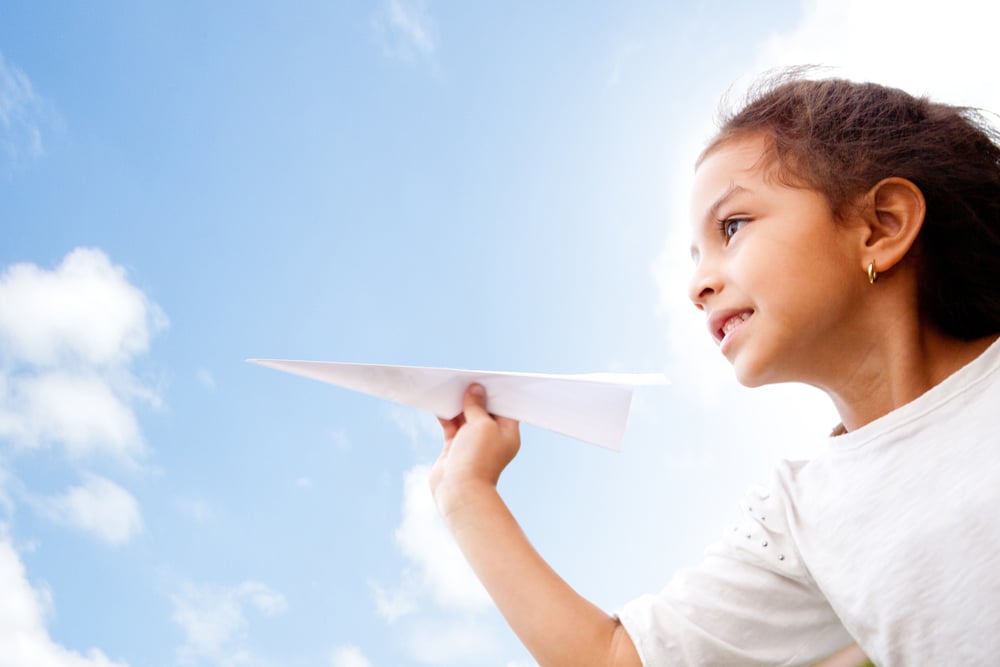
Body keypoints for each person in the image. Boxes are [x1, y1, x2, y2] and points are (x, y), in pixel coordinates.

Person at [428, 73, 1000, 666]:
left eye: (732, 227)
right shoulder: (798, 517)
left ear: (881, 226)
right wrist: (466, 493)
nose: (697, 285)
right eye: (696, 256)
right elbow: (617, 659)